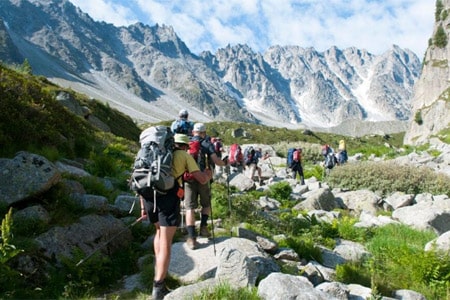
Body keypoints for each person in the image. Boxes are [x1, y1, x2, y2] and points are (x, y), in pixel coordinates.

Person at [139, 133, 212, 299]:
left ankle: (159, 269)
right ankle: (159, 286)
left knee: (158, 232)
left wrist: (143, 207)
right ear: (186, 145)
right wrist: (208, 174)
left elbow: (141, 178)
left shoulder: (151, 152)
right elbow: (200, 179)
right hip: (168, 197)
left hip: (148, 196)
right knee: (166, 239)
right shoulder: (184, 155)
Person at [184, 123, 227, 250]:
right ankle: (203, 228)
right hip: (204, 178)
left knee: (189, 208)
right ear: (204, 133)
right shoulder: (207, 144)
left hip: (189, 178)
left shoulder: (186, 144)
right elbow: (216, 161)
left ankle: (192, 238)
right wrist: (225, 163)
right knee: (206, 204)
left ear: (193, 132)